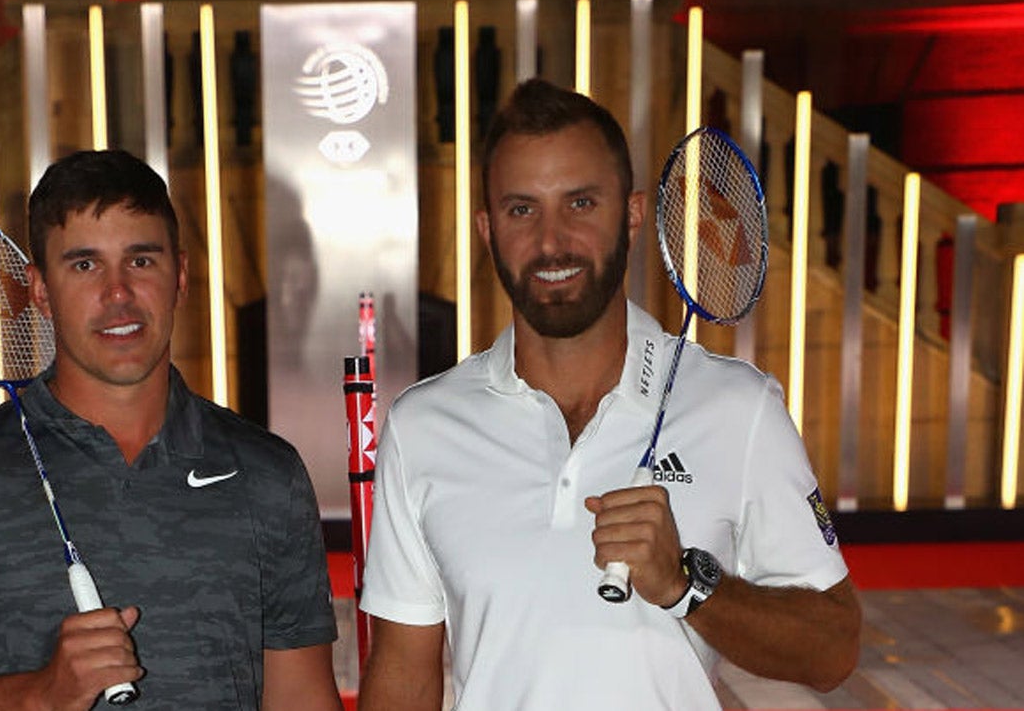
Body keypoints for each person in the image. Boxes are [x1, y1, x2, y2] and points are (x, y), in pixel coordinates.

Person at [357, 79, 861, 710]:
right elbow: (403, 673)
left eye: (581, 203)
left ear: (632, 213)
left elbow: (833, 648)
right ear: (487, 230)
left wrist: (687, 585)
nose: (551, 241)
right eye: (522, 210)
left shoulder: (739, 408)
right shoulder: (423, 425)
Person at [0, 149, 343, 711]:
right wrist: (37, 696)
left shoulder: (267, 473)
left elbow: (300, 694)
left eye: (141, 260)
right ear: (39, 290)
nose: (117, 293)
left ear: (180, 275)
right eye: (84, 265)